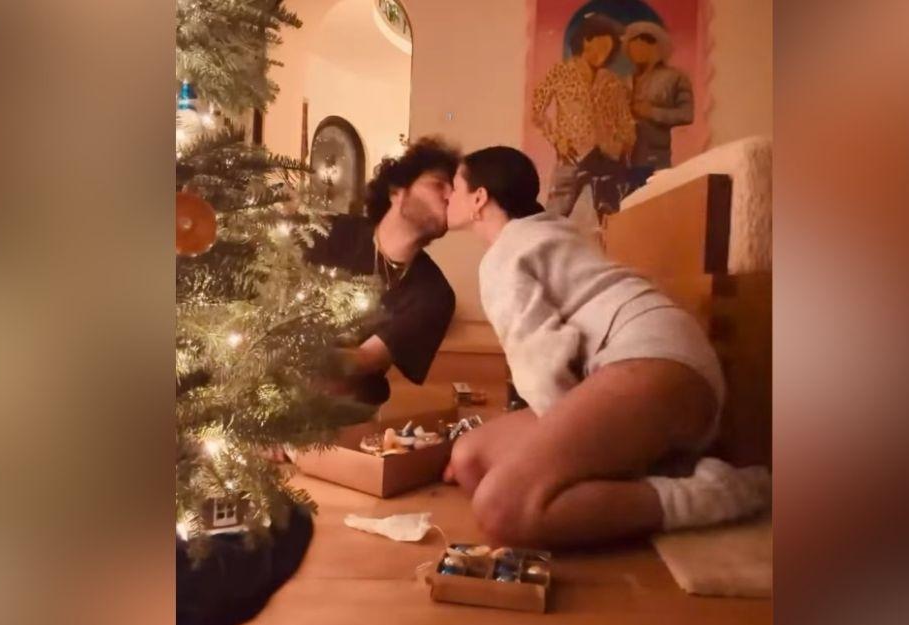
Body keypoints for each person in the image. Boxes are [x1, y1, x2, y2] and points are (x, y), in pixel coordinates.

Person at [442, 146, 769, 547]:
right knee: (470, 458)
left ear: (479, 199)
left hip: (654, 364)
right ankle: (662, 466)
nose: (447, 197)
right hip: (662, 365)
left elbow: (540, 364)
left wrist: (561, 449)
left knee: (502, 508)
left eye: (455, 187)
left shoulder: (504, 256)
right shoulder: (548, 232)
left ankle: (714, 494)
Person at [304, 137, 458, 406]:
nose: (450, 196)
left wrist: (287, 358)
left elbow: (365, 358)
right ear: (397, 191)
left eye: (455, 190)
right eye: (438, 184)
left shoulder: (434, 294)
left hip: (342, 420)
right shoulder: (325, 231)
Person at [531, 13, 635, 223]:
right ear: (585, 40)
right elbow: (537, 111)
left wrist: (623, 147)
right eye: (599, 47)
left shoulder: (613, 81)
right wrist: (557, 140)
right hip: (572, 155)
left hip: (607, 158)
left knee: (612, 218)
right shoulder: (561, 72)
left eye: (608, 50)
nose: (603, 55)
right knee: (554, 216)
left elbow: (625, 120)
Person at [623, 21, 694, 190]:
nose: (636, 51)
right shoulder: (626, 81)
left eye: (642, 45)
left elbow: (687, 114)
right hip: (624, 161)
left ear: (656, 47)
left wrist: (652, 112)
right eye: (633, 47)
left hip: (655, 159)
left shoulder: (674, 78)